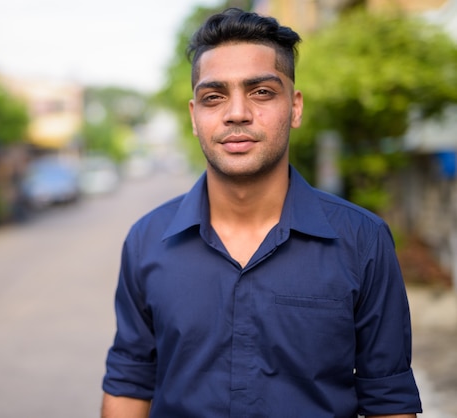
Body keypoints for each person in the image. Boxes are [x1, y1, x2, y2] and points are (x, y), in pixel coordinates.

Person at [101, 7, 422, 418]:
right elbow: (129, 384)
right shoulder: (146, 240)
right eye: (213, 97)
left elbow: (388, 400)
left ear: (296, 107)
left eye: (262, 92)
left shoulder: (363, 240)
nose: (237, 113)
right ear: (195, 117)